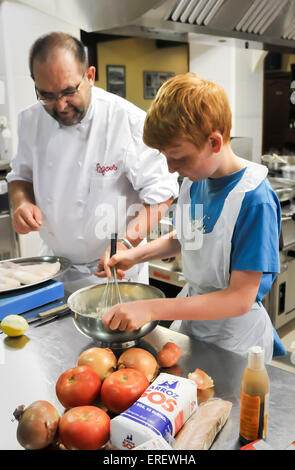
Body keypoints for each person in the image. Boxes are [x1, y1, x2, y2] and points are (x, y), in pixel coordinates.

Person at [100, 73, 281, 363]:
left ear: (214, 142)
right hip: (195, 324)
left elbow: (239, 298)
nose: (171, 169)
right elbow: (186, 236)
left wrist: (152, 308)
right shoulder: (196, 181)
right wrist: (134, 255)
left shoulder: (254, 200)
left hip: (235, 340)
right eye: (165, 158)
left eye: (178, 157)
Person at [6, 32, 179, 293]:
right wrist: (22, 203)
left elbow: (161, 195)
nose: (61, 106)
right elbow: (21, 175)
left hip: (115, 272)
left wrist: (127, 244)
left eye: (68, 91)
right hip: (53, 269)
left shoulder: (127, 121)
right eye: (47, 96)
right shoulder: (30, 121)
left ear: (89, 75)